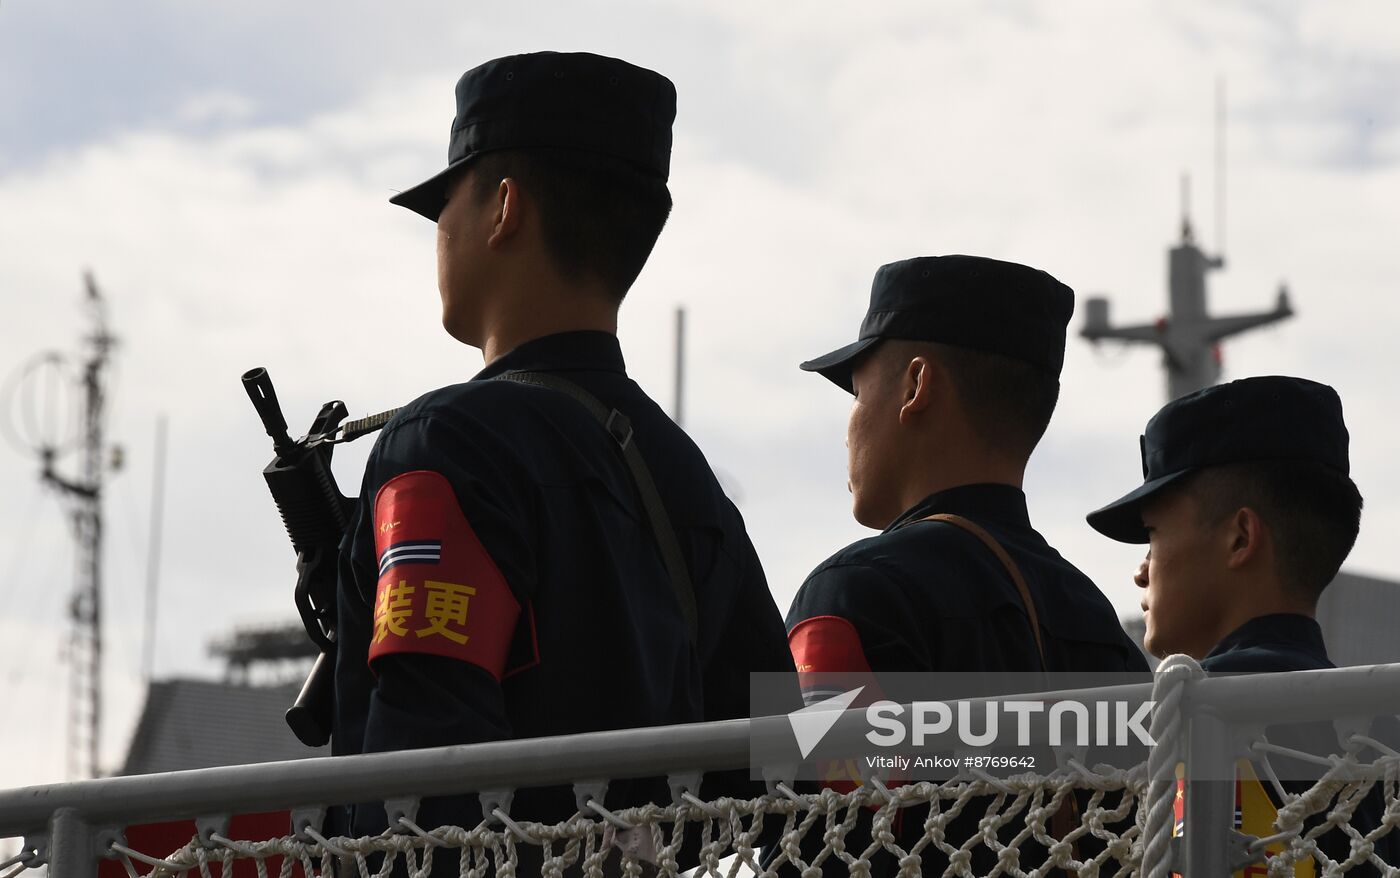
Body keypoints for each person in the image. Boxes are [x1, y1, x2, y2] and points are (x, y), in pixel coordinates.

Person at [331, 51, 795, 850]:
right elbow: (782, 760)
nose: (439, 231)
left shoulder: (447, 442)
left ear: (504, 207)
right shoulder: (691, 482)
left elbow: (416, 780)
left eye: (447, 203)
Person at [781, 256, 1147, 875]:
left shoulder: (850, 596)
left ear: (915, 386)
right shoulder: (1102, 630)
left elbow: (826, 850)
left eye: (857, 389)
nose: (849, 428)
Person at [1087, 375, 1396, 875]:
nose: (1141, 570)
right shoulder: (1384, 733)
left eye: (1152, 534)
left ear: (1240, 538)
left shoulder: (1155, 730)